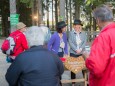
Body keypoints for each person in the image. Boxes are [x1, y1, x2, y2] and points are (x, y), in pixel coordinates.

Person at [83, 4, 115, 86]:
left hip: (105, 82)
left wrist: (87, 57)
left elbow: (96, 68)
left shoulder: (103, 37)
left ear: (98, 20)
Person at [68, 19, 87, 86]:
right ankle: (73, 82)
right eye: (76, 26)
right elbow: (70, 42)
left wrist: (81, 49)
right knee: (73, 67)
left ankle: (85, 81)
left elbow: (84, 41)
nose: (78, 28)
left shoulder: (84, 33)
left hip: (82, 52)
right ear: (74, 26)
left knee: (83, 67)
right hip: (73, 52)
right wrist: (76, 49)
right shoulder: (71, 33)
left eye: (79, 26)